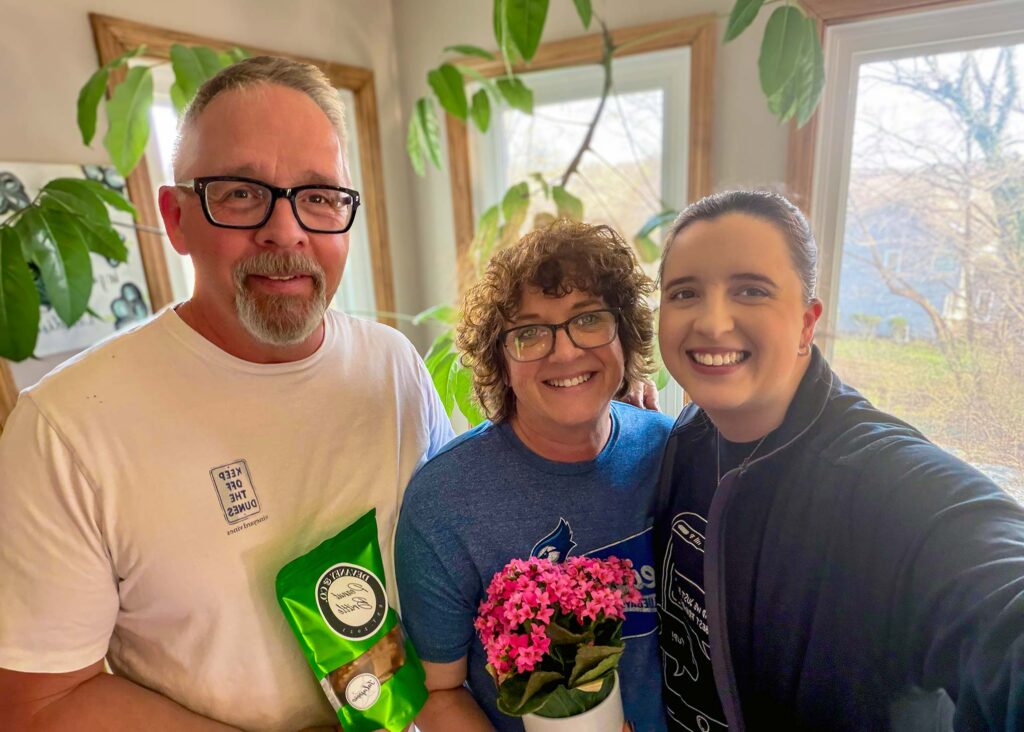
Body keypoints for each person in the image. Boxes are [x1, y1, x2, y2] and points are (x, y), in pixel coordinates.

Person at [0, 57, 453, 731]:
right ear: (176, 218)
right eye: (241, 193)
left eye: (320, 197)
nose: (287, 231)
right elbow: (41, 704)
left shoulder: (393, 368)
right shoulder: (65, 429)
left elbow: (456, 549)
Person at [654, 189, 1024, 731]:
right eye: (685, 293)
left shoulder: (887, 483)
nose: (712, 322)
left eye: (751, 290)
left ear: (806, 322)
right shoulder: (683, 440)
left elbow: (998, 598)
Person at [395, 220, 673, 732]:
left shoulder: (670, 453)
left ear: (624, 334)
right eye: (529, 332)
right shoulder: (444, 502)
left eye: (588, 319)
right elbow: (438, 691)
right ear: (500, 360)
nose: (564, 351)